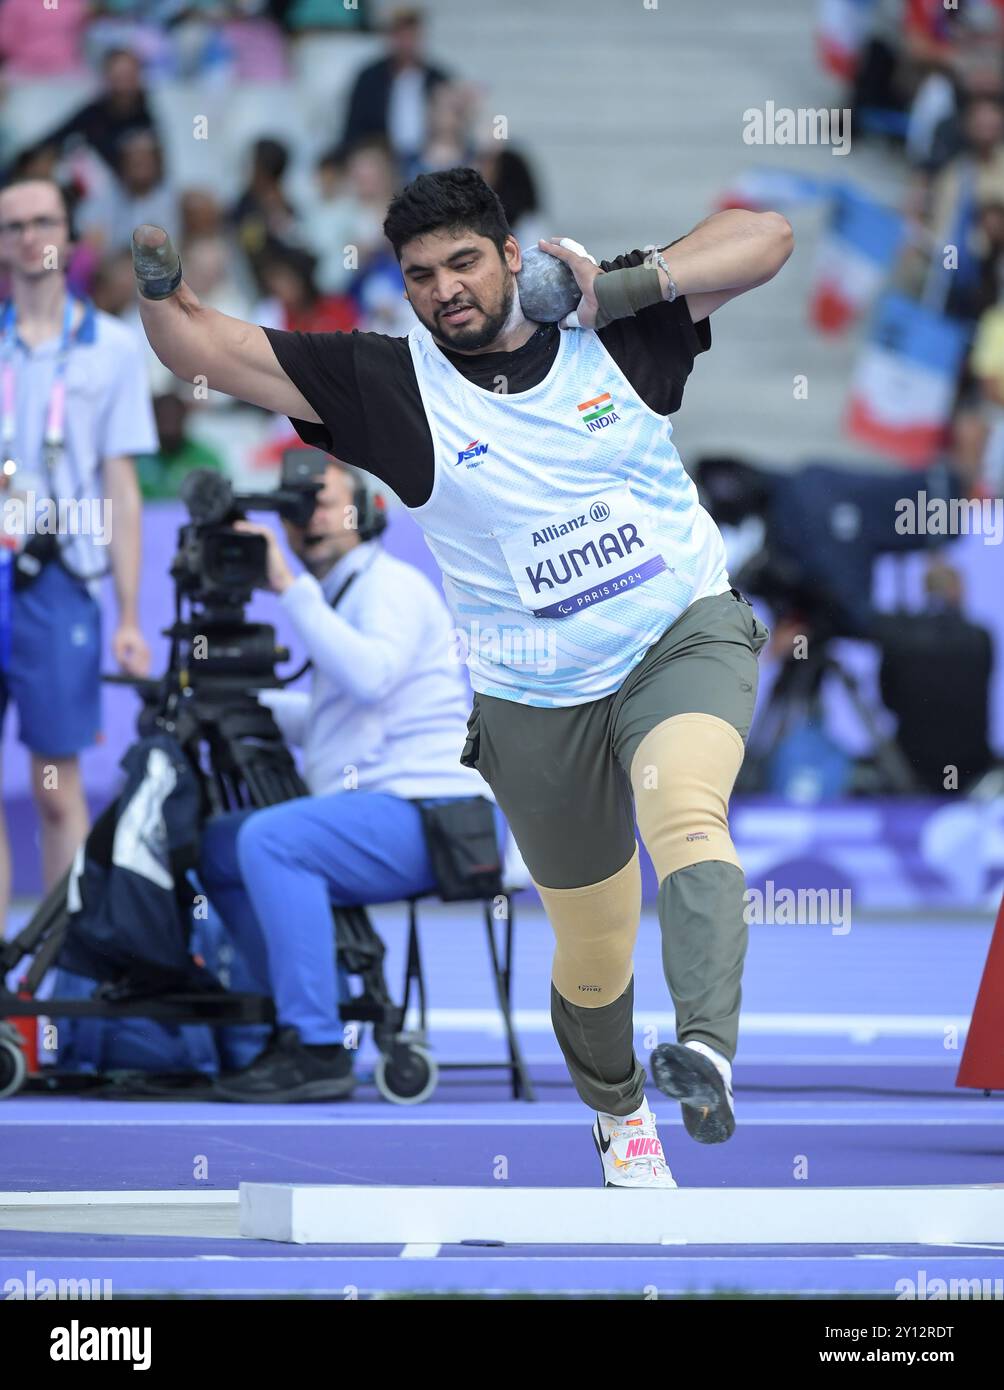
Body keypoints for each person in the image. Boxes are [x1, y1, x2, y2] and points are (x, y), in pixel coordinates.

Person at [131, 166, 791, 1184]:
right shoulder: (386, 386)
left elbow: (766, 238)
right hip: (532, 696)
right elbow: (198, 346)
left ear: (510, 257)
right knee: (592, 941)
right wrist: (158, 289)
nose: (445, 288)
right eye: (419, 273)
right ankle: (618, 1111)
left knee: (686, 812)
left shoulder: (606, 320)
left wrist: (626, 285)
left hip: (677, 634)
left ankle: (703, 1048)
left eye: (464, 262)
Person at [195, 454, 501, 1101]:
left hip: (438, 814)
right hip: (398, 808)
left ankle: (314, 1048)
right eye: (300, 506)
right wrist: (228, 703)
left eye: (328, 503)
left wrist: (287, 585)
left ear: (370, 513)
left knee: (271, 841)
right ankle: (310, 1008)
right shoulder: (347, 593)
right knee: (220, 846)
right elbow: (339, 722)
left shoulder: (387, 585)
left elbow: (370, 677)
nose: (313, 520)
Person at [0, 176, 155, 933]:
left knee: (58, 788)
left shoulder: (114, 346)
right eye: (14, 225)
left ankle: (52, 970)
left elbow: (120, 486)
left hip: (62, 582)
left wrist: (129, 613)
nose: (30, 236)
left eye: (44, 221)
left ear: (69, 232)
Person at [341, 7, 449, 179]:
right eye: (400, 34)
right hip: (383, 160)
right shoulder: (369, 79)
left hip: (426, 160)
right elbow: (353, 127)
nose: (406, 41)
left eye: (411, 34)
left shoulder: (437, 77)